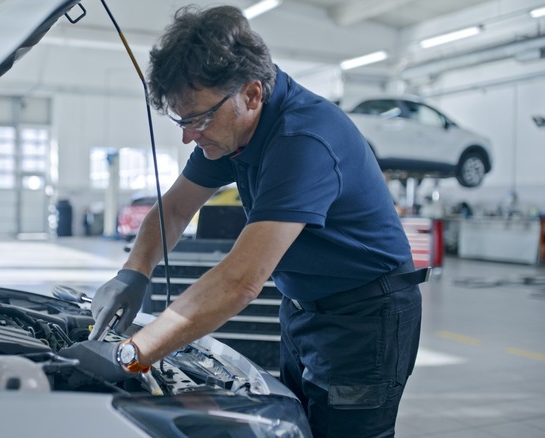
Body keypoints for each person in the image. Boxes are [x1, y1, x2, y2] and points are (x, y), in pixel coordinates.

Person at [60, 6, 427, 437]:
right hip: (305, 307)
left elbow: (240, 280)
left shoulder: (302, 141)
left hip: (365, 319)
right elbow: (175, 209)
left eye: (196, 119)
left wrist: (132, 353)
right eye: (181, 120)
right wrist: (133, 272)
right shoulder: (232, 129)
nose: (187, 136)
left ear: (252, 94)